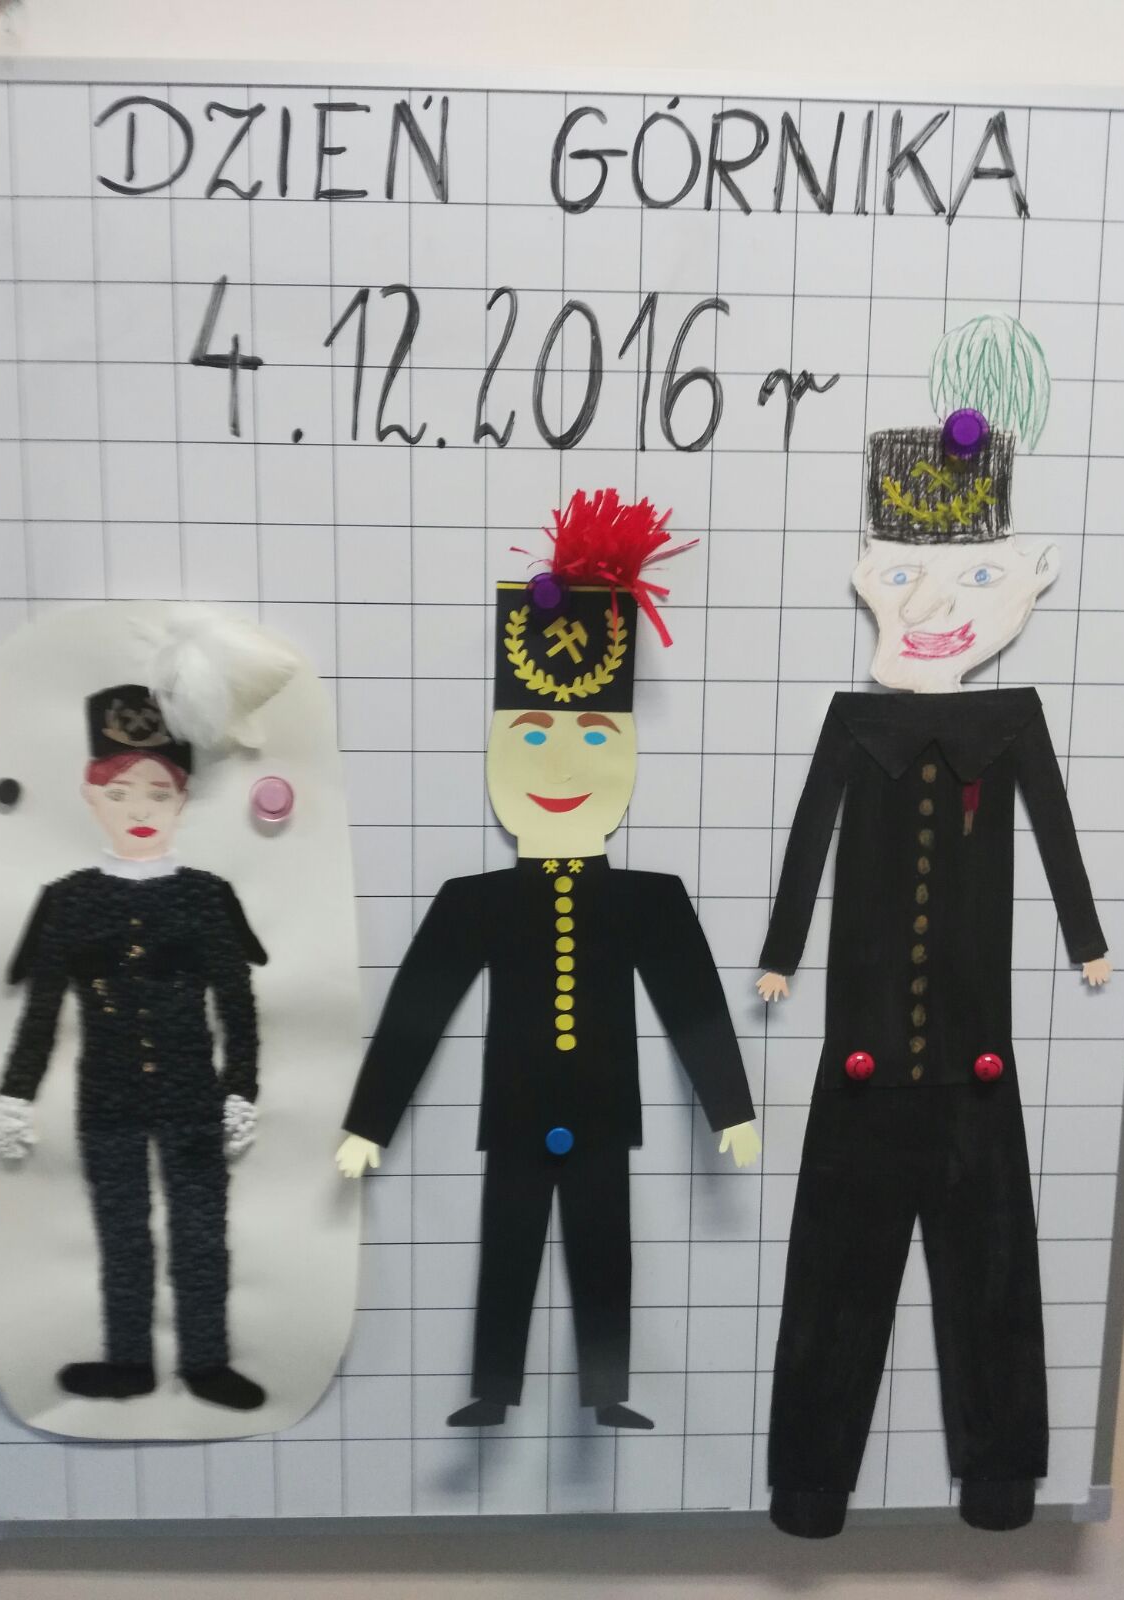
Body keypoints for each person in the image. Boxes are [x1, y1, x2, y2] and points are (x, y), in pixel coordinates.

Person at [336, 489, 761, 1429]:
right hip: (519, 1111)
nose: (561, 767)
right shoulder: (475, 901)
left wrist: (730, 1108)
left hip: (604, 1112)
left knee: (606, 1248)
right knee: (511, 1243)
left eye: (591, 739)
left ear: (624, 756)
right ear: (501, 754)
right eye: (533, 737)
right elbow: (418, 1009)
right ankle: (494, 1390)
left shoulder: (649, 899)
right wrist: (370, 1123)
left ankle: (607, 1394)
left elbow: (691, 1000)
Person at [757, 409, 1110, 1535]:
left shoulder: (1011, 722)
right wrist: (780, 956)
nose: (928, 607)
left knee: (993, 1269)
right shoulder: (853, 722)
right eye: (903, 575)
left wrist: (1088, 938)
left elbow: (1055, 830)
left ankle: (1001, 1483)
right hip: (858, 1061)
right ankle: (809, 1490)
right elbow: (810, 836)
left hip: (977, 1061)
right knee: (835, 1272)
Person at [0, 609, 296, 1412]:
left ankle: (206, 1361)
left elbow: (237, 1002)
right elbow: (41, 1010)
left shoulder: (207, 897)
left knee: (200, 1232)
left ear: (181, 799)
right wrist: (16, 1093)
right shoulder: (67, 903)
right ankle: (129, 1361)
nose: (139, 806)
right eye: (119, 790)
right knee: (122, 1232)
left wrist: (241, 1089)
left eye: (158, 791)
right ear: (91, 796)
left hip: (194, 1098)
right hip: (108, 1101)